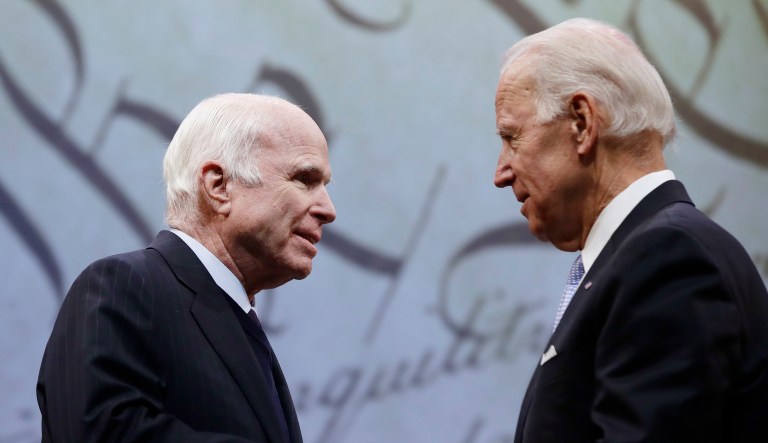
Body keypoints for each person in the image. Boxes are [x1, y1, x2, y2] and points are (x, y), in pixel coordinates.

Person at [493, 18, 768, 443]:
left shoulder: (668, 257)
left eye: (512, 137)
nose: (501, 172)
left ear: (582, 123)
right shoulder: (645, 254)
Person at [36, 93, 336, 442]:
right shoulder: (124, 286)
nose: (328, 210)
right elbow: (99, 432)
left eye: (324, 186)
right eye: (305, 179)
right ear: (219, 186)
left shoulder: (239, 320)